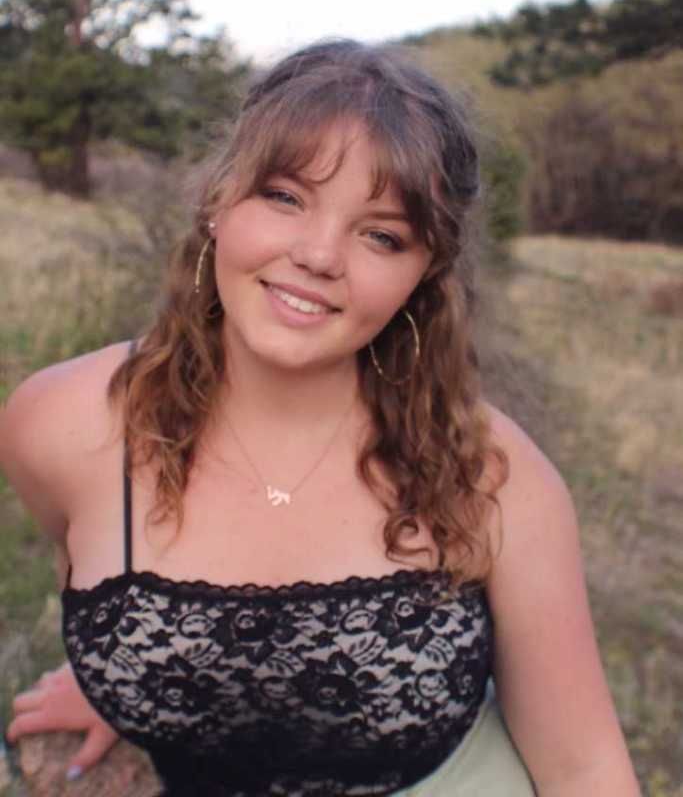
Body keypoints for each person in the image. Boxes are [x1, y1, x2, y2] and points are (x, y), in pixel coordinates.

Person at [2, 39, 639, 796]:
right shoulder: (62, 424)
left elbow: (584, 769)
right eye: (285, 197)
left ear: (422, 277)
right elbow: (86, 559)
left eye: (380, 235)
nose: (318, 254)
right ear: (217, 199)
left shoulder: (491, 475)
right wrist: (121, 680)